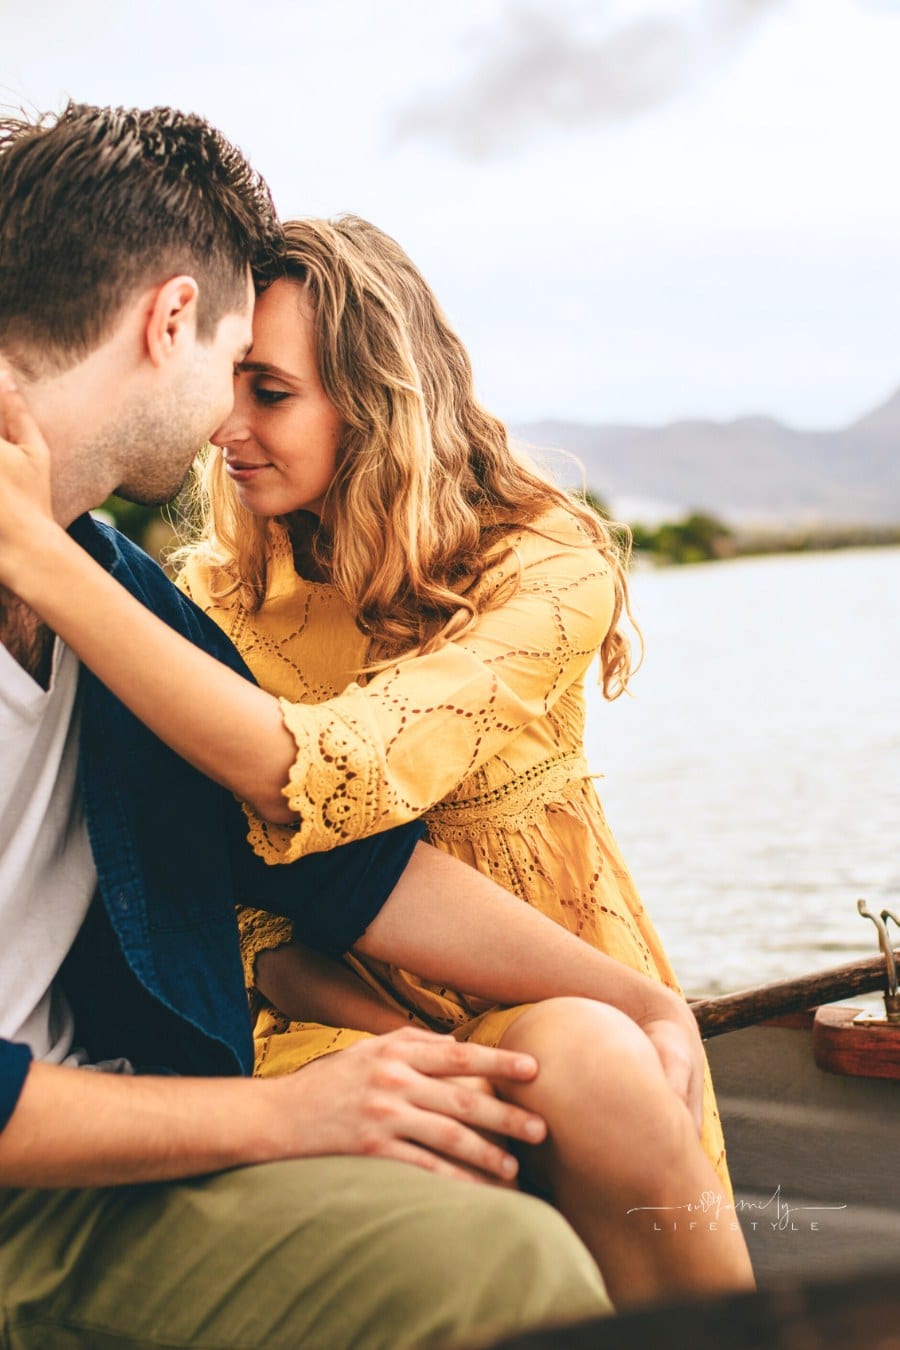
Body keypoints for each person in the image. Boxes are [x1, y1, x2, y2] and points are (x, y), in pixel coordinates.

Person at [0, 175, 756, 1309]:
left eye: (273, 390)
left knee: (604, 1060)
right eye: (232, 380)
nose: (228, 426)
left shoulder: (537, 565)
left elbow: (342, 791)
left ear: (373, 398)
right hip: (320, 1005)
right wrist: (405, 1048)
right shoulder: (202, 604)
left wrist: (48, 557)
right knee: (514, 1171)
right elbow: (262, 899)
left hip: (530, 965)